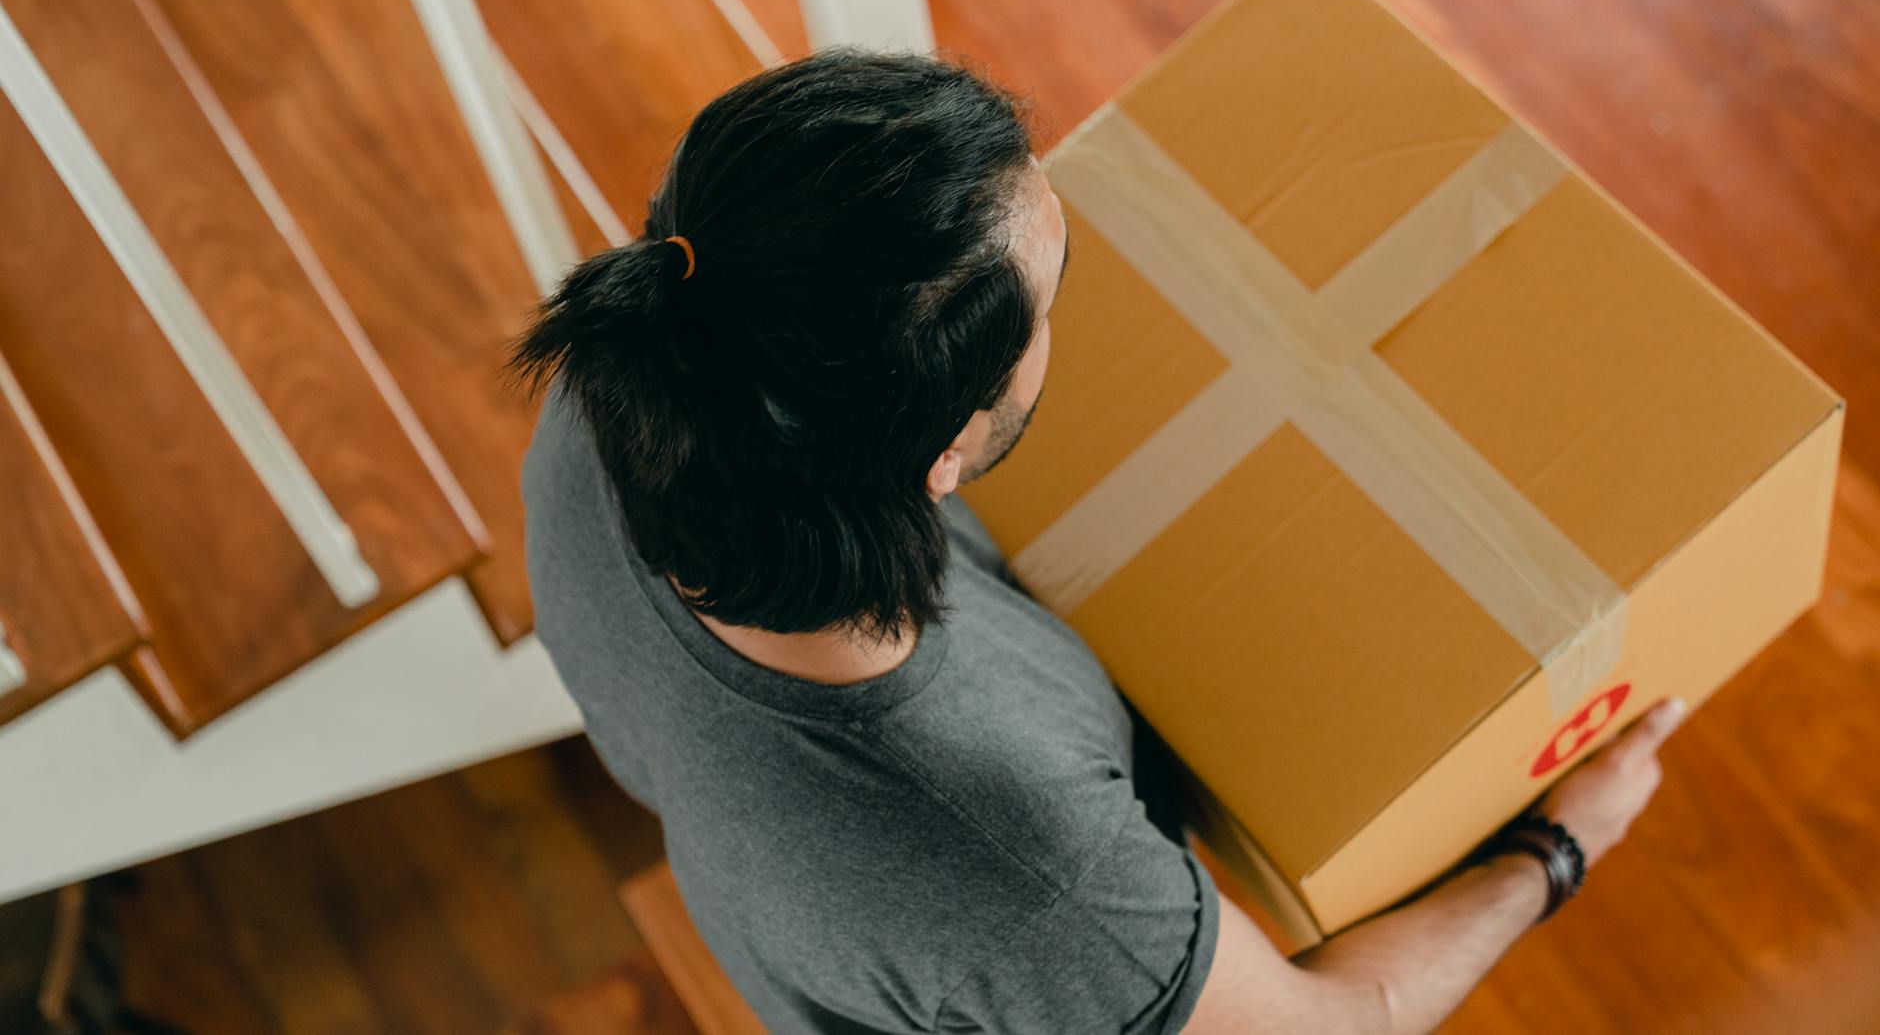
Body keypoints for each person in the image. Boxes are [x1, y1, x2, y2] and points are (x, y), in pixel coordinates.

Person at [506, 50, 1687, 1034]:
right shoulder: (1023, 865)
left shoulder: (635, 373)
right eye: (1049, 293)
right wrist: (1558, 841)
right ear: (940, 457)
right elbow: (1340, 1021)